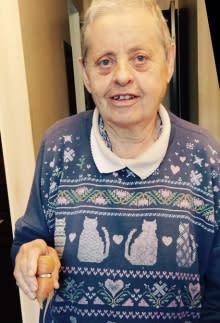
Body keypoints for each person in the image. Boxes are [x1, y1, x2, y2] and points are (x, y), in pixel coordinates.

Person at [11, 0, 220, 322]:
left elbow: (217, 289)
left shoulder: (204, 155)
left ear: (169, 61)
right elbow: (30, 237)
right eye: (105, 62)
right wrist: (31, 254)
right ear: (85, 74)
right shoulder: (58, 144)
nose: (122, 76)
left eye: (140, 58)